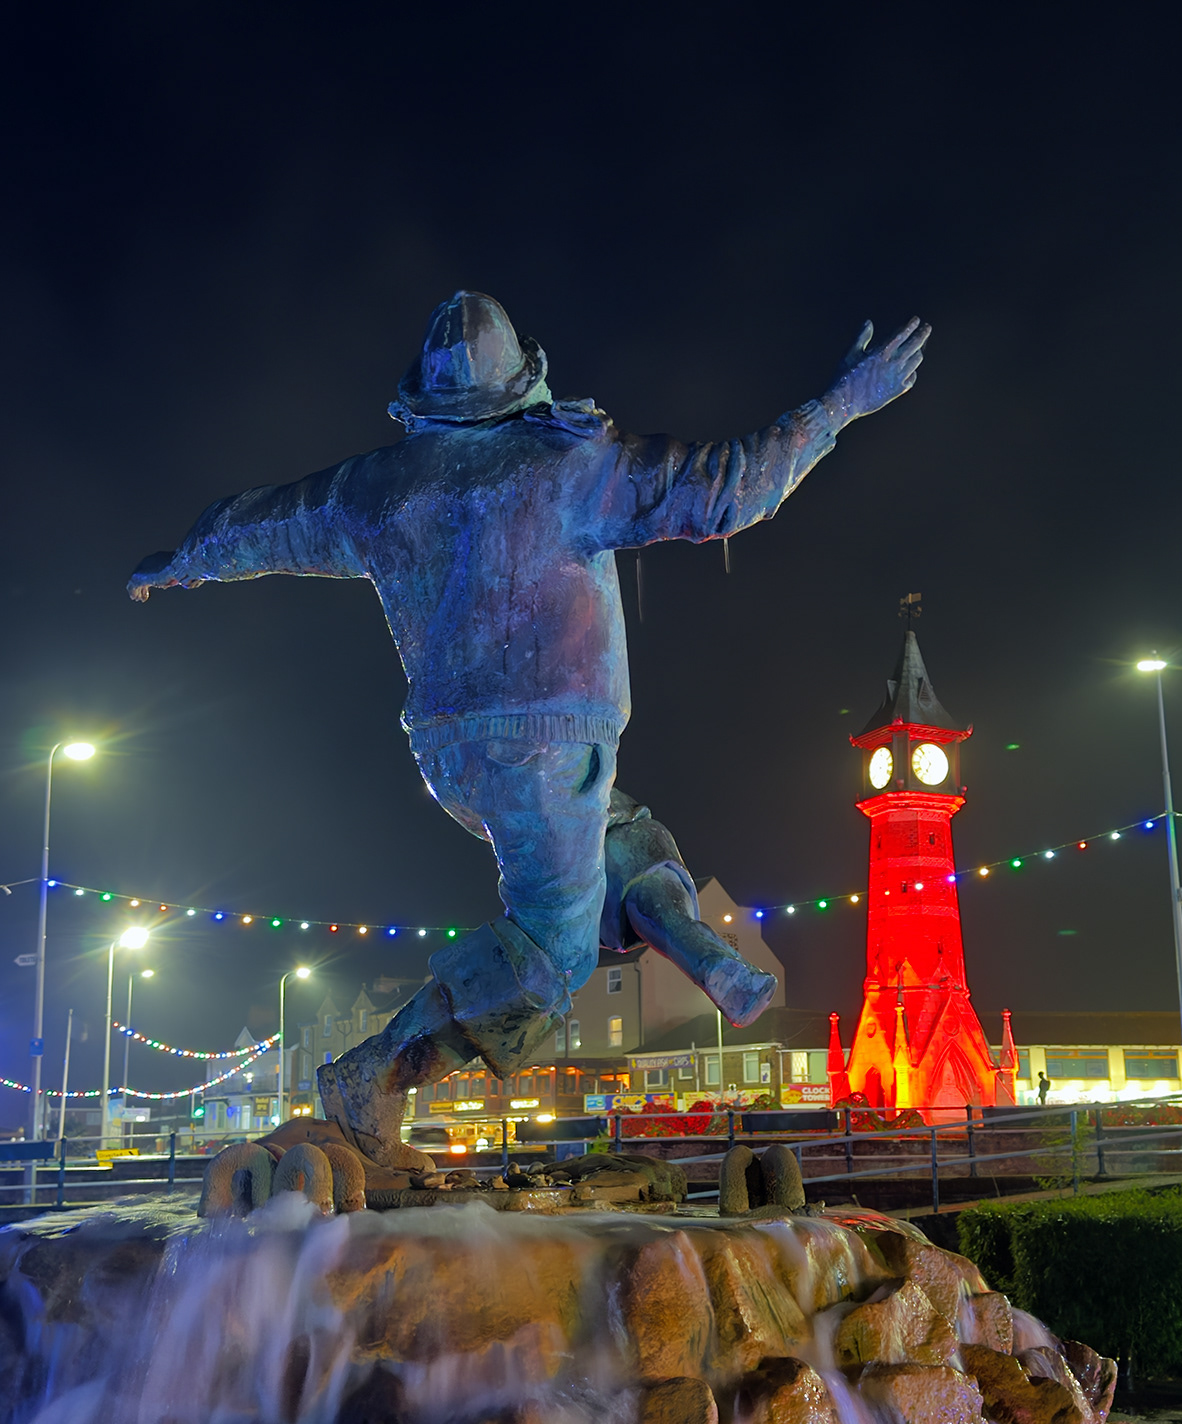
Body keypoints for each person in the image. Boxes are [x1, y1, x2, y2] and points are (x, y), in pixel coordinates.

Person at [129, 291, 929, 1167]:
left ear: (423, 401)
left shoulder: (376, 489)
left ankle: (708, 957)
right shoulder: (572, 465)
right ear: (524, 382)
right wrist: (843, 402)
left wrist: (187, 561)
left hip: (450, 753)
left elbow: (271, 520)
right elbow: (734, 487)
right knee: (550, 957)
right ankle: (373, 1073)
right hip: (548, 738)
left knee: (621, 834)